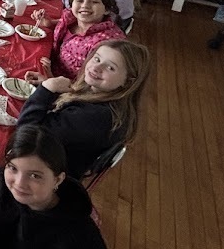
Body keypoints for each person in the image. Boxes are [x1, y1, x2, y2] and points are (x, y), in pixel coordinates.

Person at [18, 39, 150, 179]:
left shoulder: (96, 118)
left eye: (110, 68)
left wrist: (47, 89)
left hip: (41, 177)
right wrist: (51, 83)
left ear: (128, 81)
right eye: (97, 59)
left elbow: (26, 134)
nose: (97, 67)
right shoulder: (104, 98)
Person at [25, 0, 125, 83]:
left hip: (67, 89)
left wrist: (50, 81)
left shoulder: (106, 44)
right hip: (50, 67)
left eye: (94, 2)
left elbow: (93, 88)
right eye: (80, 0)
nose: (85, 5)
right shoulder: (72, 18)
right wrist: (49, 23)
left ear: (107, 9)